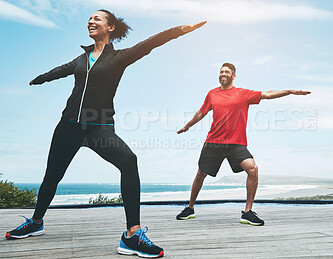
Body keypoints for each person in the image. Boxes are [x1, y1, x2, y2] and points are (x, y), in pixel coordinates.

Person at [5, 9, 205, 258]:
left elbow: (149, 44)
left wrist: (179, 30)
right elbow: (61, 70)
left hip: (98, 127)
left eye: (97, 18)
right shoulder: (82, 58)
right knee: (51, 176)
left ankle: (132, 234)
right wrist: (40, 79)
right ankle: (36, 222)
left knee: (129, 161)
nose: (91, 21)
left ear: (110, 28)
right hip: (68, 125)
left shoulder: (119, 57)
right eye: (89, 18)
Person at [176, 63, 311, 226]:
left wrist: (289, 91)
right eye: (221, 72)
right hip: (214, 142)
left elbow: (267, 94)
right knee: (200, 174)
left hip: (236, 144)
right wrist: (188, 125)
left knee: (253, 169)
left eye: (227, 72)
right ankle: (190, 208)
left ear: (233, 76)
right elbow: (202, 112)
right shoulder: (212, 94)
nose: (223, 74)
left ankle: (247, 212)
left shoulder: (243, 94)